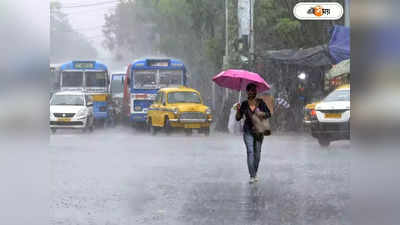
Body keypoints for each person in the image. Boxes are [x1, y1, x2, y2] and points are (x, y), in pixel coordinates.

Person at [236, 83, 271, 183]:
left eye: (254, 90)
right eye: (251, 90)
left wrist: (261, 113)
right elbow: (238, 118)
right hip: (247, 131)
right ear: (247, 92)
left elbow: (269, 114)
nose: (253, 92)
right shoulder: (244, 104)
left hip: (259, 131)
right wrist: (238, 110)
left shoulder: (261, 103)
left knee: (257, 154)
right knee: (250, 152)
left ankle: (254, 173)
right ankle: (252, 175)